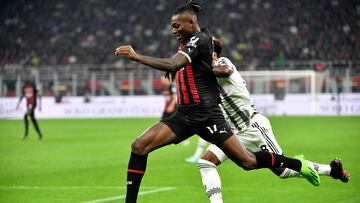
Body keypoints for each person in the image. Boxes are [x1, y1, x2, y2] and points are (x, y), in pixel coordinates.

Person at [114, 3, 319, 203]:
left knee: (247, 162)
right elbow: (181, 64)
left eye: (176, 25)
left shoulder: (201, 39)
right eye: (172, 25)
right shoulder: (187, 41)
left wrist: (137, 56)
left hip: (207, 116)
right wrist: (175, 68)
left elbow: (176, 62)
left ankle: (296, 164)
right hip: (184, 116)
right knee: (139, 146)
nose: (172, 30)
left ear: (191, 22)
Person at [197, 38, 350, 203]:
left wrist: (204, 69)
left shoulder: (222, 62)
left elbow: (225, 70)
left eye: (204, 48)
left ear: (212, 53)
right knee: (206, 162)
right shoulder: (205, 75)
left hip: (253, 128)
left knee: (283, 172)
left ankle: (331, 170)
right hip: (232, 131)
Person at [16, 76, 43, 140]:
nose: (28, 80)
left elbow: (38, 95)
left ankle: (26, 134)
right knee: (33, 119)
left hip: (33, 104)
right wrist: (18, 103)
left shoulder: (33, 86)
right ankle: (39, 134)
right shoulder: (24, 87)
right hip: (28, 105)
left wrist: (40, 105)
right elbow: (22, 95)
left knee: (25, 116)